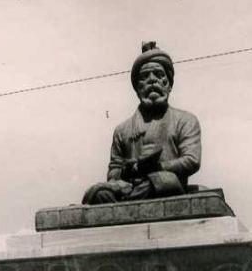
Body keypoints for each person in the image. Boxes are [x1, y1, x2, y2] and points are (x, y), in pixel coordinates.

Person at [82, 42, 202, 204]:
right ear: (137, 87)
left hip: (164, 186)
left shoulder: (186, 120)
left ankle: (124, 205)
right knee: (100, 193)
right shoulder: (122, 130)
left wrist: (158, 167)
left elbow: (191, 160)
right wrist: (130, 169)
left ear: (168, 83)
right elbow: (113, 172)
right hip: (129, 185)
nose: (152, 80)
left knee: (163, 181)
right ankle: (127, 202)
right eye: (145, 77)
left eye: (158, 75)